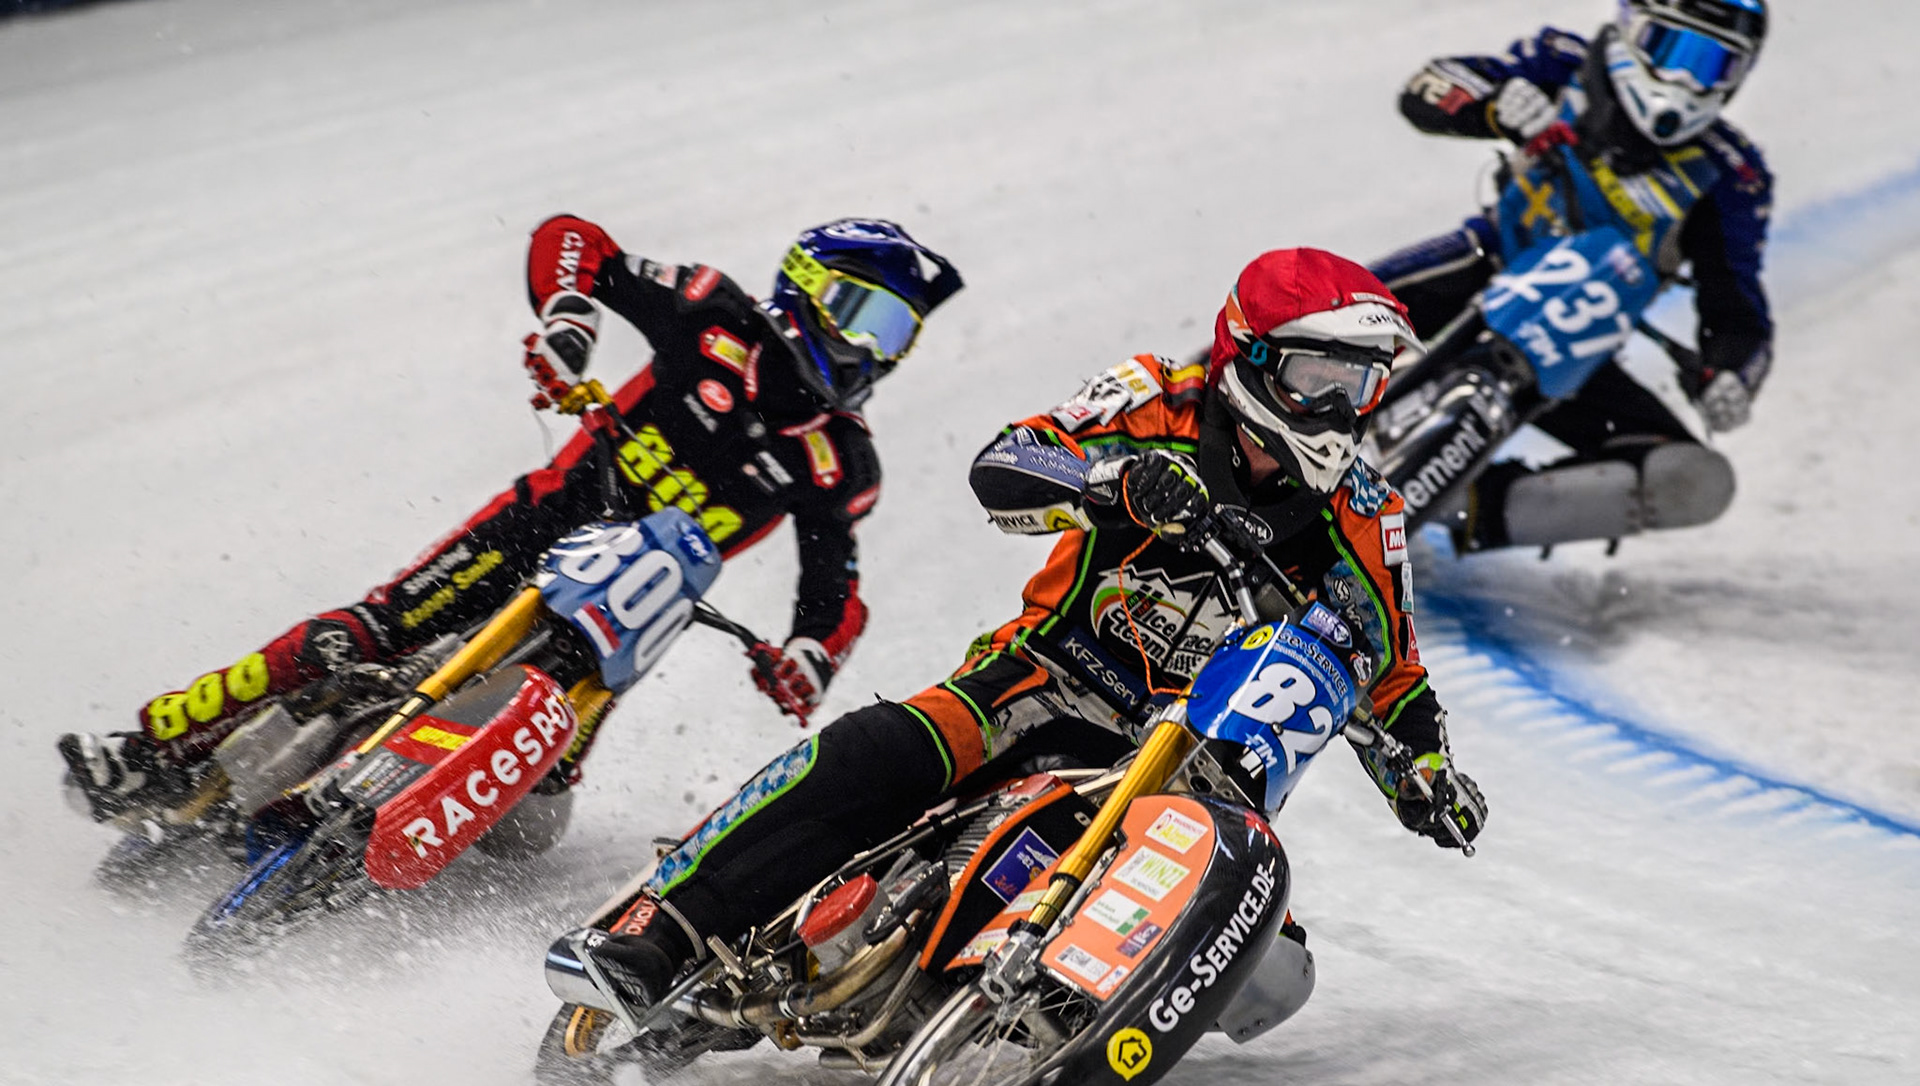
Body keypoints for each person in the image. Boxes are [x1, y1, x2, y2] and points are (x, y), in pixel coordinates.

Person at [584, 248, 1488, 1009]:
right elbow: (1010, 459)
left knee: (1276, 973)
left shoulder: (1369, 515)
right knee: (883, 749)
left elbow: (1393, 671)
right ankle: (663, 929)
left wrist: (1427, 772)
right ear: (1251, 358)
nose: (1339, 411)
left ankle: (1044, 1024)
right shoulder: (1156, 398)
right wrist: (1112, 484)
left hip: (1196, 757)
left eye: (1360, 385)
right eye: (1318, 380)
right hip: (1047, 677)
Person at [59, 216, 963, 828]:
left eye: (896, 334)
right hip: (539, 524)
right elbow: (572, 240)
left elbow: (835, 585)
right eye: (863, 315)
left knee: (539, 812)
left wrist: (810, 657)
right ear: (803, 287)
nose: (869, 348)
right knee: (359, 635)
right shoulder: (709, 310)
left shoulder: (841, 459)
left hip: (630, 611)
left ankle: (445, 811)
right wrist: (569, 322)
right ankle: (146, 749)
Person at [1371, 0, 1772, 551]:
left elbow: (1737, 307)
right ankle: (1254, 421)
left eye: (1711, 64)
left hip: (1574, 350)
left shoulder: (1730, 173)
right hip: (1481, 266)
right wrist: (1493, 106)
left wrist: (1729, 376)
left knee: (1689, 478)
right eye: (1668, 48)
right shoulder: (1566, 64)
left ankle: (1463, 504)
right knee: (1316, 315)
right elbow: (1428, 88)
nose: (1682, 79)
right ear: (1631, 29)